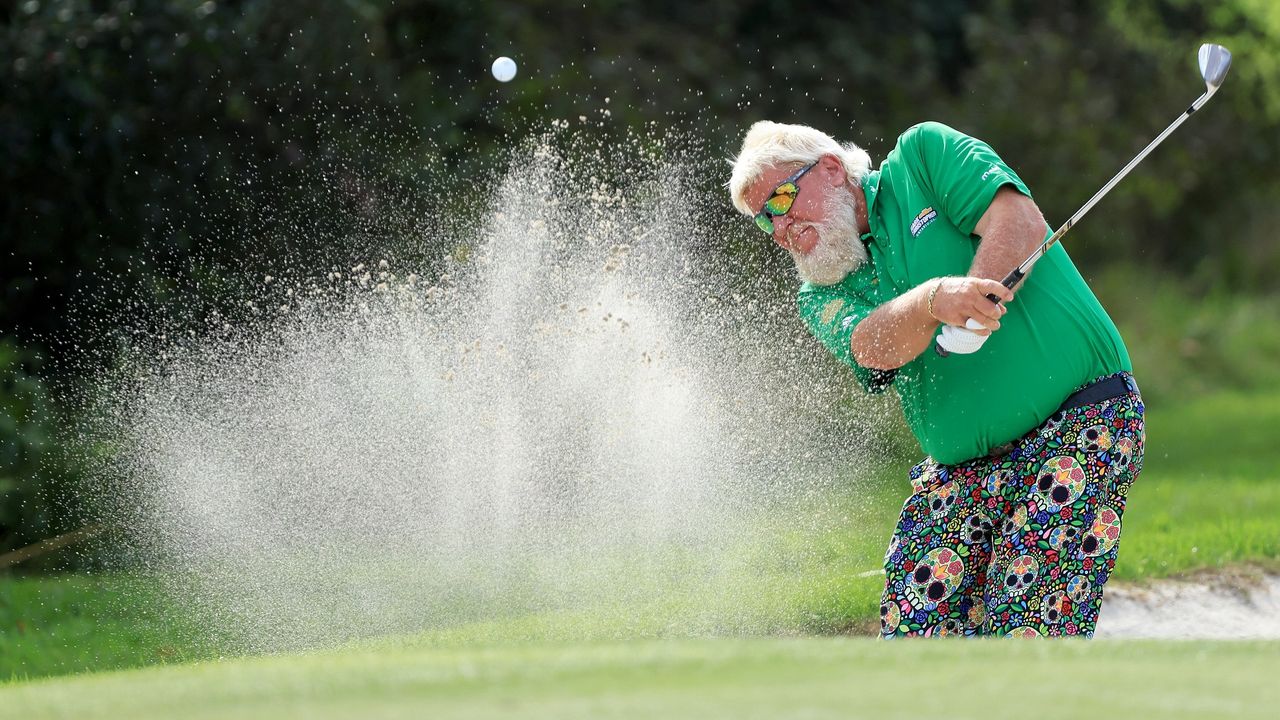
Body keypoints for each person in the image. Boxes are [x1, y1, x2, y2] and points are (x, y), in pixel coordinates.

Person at [728, 120, 1144, 638]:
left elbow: (1018, 220)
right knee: (914, 634)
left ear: (831, 169)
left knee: (1025, 626)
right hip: (960, 470)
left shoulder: (922, 157)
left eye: (782, 198)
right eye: (765, 221)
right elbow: (873, 348)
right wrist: (934, 300)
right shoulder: (819, 290)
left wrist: (974, 297)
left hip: (1079, 425)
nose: (781, 227)